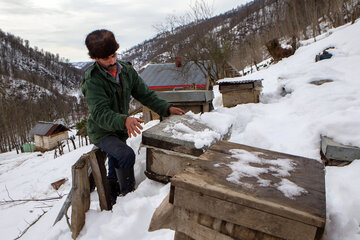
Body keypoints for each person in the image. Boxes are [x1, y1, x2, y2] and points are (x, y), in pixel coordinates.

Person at [81, 29, 185, 204]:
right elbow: (100, 113)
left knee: (116, 162)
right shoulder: (93, 81)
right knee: (126, 155)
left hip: (119, 128)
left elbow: (145, 94)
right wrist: (124, 120)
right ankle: (128, 198)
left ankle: (114, 196)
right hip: (102, 131)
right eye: (106, 58)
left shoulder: (126, 71)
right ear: (95, 59)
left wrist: (166, 108)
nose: (112, 61)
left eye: (114, 55)